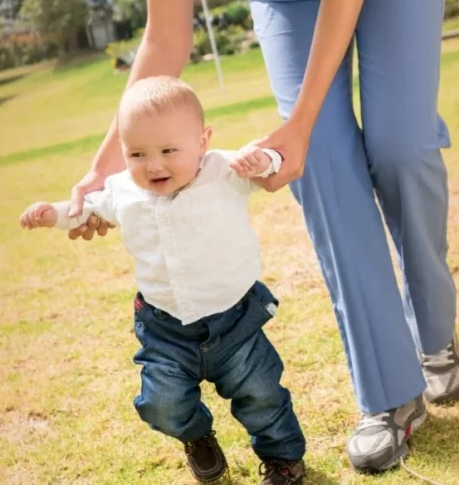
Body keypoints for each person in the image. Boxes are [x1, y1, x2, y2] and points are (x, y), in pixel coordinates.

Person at [67, 0, 459, 473]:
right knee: (322, 165)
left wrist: (300, 124)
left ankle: (435, 333)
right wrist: (104, 171)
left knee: (401, 149)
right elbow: (164, 38)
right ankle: (390, 393)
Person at [19, 76, 307, 485]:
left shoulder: (222, 170)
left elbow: (271, 163)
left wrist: (264, 161)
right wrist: (53, 213)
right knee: (161, 403)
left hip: (235, 322)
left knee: (262, 394)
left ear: (202, 142)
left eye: (169, 151)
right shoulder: (122, 190)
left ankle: (283, 460)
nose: (153, 165)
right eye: (137, 154)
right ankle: (197, 436)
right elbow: (85, 210)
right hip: (165, 329)